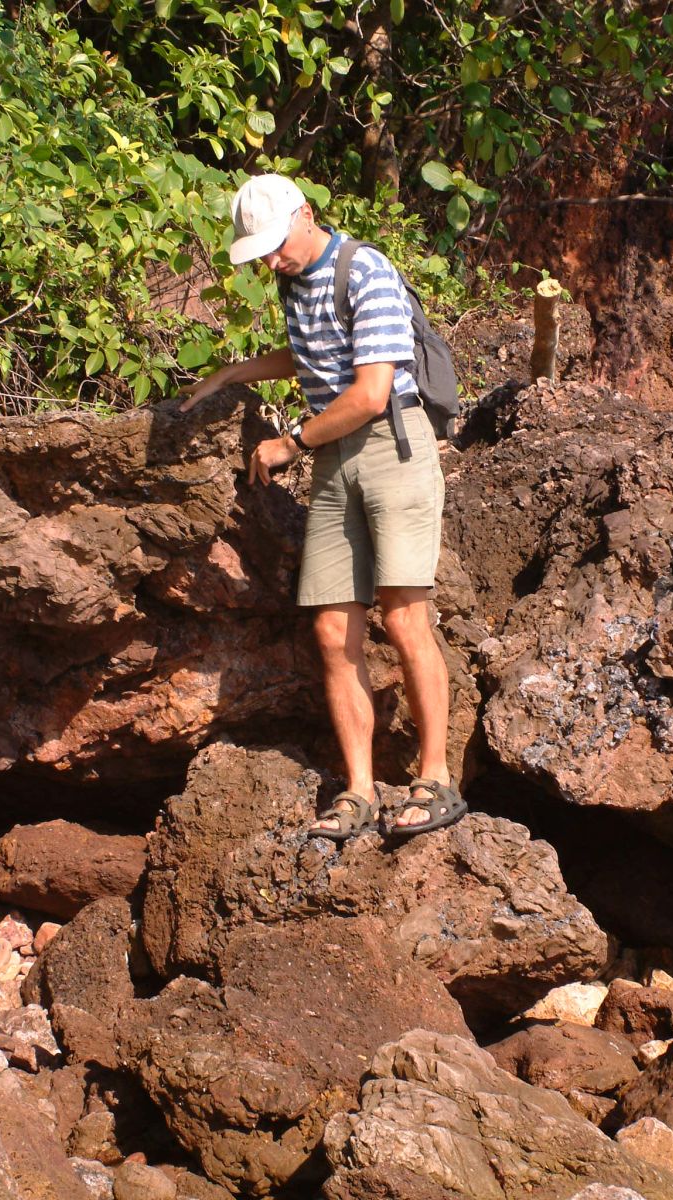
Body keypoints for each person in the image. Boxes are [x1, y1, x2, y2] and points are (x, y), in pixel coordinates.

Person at [180, 174, 465, 841]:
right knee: (334, 634)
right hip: (337, 459)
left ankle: (436, 778)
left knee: (403, 619)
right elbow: (311, 356)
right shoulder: (297, 283)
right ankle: (360, 791)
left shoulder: (366, 270)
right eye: (262, 252)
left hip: (392, 445)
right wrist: (232, 373)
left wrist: (292, 442)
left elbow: (369, 391)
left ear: (306, 216)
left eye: (277, 245)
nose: (273, 260)